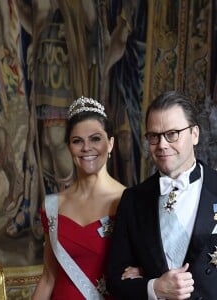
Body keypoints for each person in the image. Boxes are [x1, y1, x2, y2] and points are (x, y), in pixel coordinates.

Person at [106, 90, 217, 299]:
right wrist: (153, 287)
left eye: (172, 134)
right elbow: (115, 280)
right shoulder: (133, 199)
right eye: (154, 136)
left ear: (194, 134)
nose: (162, 144)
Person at [32, 96, 139, 300]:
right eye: (77, 141)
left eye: (95, 138)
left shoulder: (130, 201)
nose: (86, 148)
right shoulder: (53, 206)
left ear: (111, 143)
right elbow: (48, 278)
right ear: (69, 147)